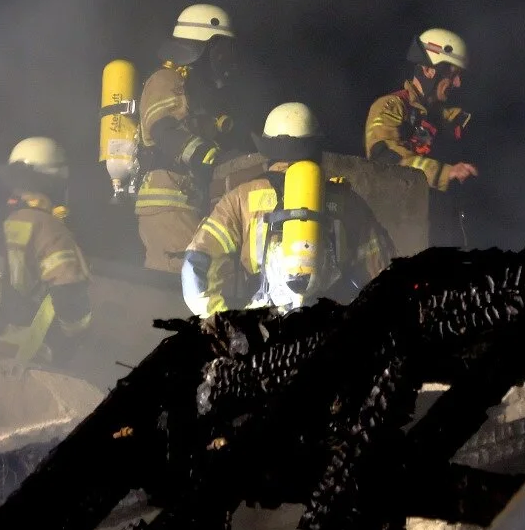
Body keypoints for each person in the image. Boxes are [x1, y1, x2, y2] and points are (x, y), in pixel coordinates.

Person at [182, 102, 396, 317]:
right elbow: (382, 271)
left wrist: (221, 322)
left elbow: (196, 263)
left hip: (264, 327)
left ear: (268, 150)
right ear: (315, 148)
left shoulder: (241, 197)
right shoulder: (347, 200)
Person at [134, 3, 238, 272]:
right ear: (203, 47)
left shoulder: (193, 91)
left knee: (205, 272)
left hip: (185, 201)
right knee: (188, 277)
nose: (225, 59)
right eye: (221, 49)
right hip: (167, 204)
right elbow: (163, 129)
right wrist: (205, 154)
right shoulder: (165, 80)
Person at [365, 27, 479, 247]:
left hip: (444, 234)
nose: (458, 84)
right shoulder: (391, 107)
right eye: (452, 75)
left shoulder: (450, 119)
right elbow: (385, 158)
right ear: (428, 70)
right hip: (400, 237)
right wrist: (446, 173)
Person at [0, 136, 92, 365]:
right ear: (55, 182)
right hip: (33, 353)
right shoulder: (47, 227)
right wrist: (76, 339)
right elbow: (68, 289)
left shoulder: (0, 223)